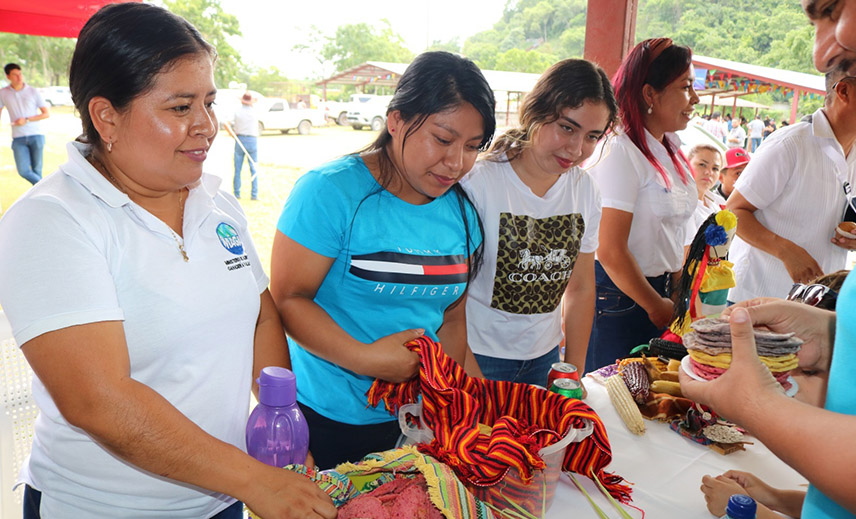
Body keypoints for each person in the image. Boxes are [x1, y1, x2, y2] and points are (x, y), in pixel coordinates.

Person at [0, 5, 335, 519]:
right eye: (180, 108)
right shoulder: (52, 221)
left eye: (209, 102)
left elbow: (259, 316)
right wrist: (256, 480)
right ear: (106, 117)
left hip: (224, 505)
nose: (206, 125)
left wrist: (281, 425)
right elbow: (99, 400)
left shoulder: (216, 202)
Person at [682, 6, 856, 519]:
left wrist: (755, 408)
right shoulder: (790, 144)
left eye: (838, 21)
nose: (824, 51)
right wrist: (827, 321)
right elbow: (736, 213)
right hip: (768, 306)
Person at [270, 51, 496, 469]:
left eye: (472, 147)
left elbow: (451, 317)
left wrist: (456, 402)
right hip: (328, 418)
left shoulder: (462, 213)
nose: (457, 163)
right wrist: (365, 358)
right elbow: (288, 299)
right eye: (443, 139)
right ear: (396, 121)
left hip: (417, 420)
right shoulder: (330, 192)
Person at [458, 59, 617, 384]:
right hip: (477, 355)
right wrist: (470, 376)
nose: (577, 149)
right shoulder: (478, 182)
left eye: (592, 136)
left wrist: (573, 370)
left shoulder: (585, 190)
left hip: (545, 359)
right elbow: (450, 295)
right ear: (535, 112)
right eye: (567, 128)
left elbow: (581, 287)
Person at [585, 38, 699, 371]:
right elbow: (610, 249)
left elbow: (673, 231)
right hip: (622, 299)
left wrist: (676, 290)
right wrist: (655, 305)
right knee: (612, 390)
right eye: (685, 87)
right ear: (650, 94)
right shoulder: (621, 151)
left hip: (662, 295)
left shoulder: (670, 151)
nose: (695, 98)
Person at [726, 66, 856, 303]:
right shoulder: (790, 144)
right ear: (843, 91)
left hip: (814, 303)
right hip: (759, 297)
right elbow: (732, 211)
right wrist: (786, 250)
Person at [0, 63, 50, 185]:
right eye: (15, 74)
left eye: (20, 74)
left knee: (37, 171)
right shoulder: (3, 93)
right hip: (18, 138)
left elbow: (46, 114)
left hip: (36, 135)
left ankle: (41, 194)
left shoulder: (33, 91)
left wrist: (26, 119)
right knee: (23, 171)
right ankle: (47, 186)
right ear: (8, 76)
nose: (19, 77)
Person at [686, 143, 724, 237]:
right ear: (686, 164)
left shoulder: (717, 202)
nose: (709, 172)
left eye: (715, 168)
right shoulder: (683, 205)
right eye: (702, 165)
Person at [227, 91, 259, 200]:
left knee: (237, 168)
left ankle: (236, 193)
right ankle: (254, 194)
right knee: (254, 168)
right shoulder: (255, 112)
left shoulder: (237, 111)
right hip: (252, 139)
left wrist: (232, 134)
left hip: (240, 139)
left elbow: (226, 123)